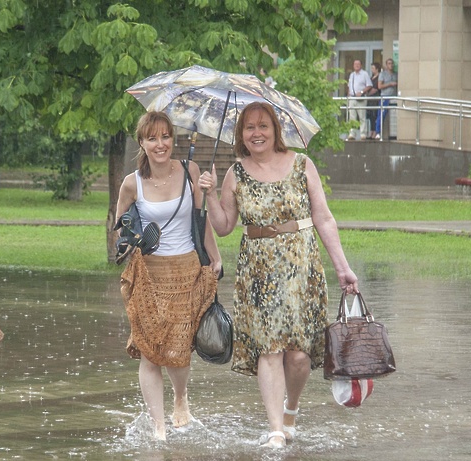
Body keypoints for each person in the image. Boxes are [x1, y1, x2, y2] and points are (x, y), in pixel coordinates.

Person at [198, 102, 359, 449]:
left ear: (275, 130)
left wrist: (342, 267)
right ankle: (275, 430)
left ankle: (291, 408)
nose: (256, 133)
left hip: (302, 268)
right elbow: (224, 226)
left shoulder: (302, 164)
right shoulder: (235, 173)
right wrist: (209, 195)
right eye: (249, 127)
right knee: (269, 350)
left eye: (263, 126)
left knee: (298, 356)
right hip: (258, 272)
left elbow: (324, 218)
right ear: (241, 134)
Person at [116, 111, 221, 441]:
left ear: (173, 139)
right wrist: (134, 236)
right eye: (152, 138)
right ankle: (159, 428)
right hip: (149, 275)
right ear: (142, 142)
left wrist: (215, 258)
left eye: (165, 136)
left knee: (178, 349)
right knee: (150, 351)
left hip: (186, 269)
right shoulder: (132, 183)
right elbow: (120, 231)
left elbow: (200, 222)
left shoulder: (189, 170)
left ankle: (180, 397)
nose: (160, 144)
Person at [346, 59, 371, 141]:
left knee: (362, 117)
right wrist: (348, 96)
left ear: (361, 65)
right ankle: (352, 134)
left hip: (361, 98)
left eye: (358, 64)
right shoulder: (352, 75)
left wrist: (361, 92)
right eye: (355, 64)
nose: (356, 65)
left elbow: (369, 85)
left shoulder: (364, 74)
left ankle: (363, 134)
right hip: (352, 98)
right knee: (352, 117)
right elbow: (349, 86)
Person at [377, 58, 398, 139]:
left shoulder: (395, 74)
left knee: (393, 116)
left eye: (392, 63)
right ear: (386, 65)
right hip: (385, 96)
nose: (391, 65)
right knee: (381, 114)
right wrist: (390, 84)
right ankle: (378, 132)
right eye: (389, 63)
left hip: (394, 97)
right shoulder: (383, 74)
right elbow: (380, 86)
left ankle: (393, 134)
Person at [365, 62, 381, 139]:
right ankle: (371, 131)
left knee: (374, 115)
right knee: (371, 115)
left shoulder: (379, 77)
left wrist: (369, 92)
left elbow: (375, 88)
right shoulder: (372, 77)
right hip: (370, 99)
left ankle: (375, 132)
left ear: (377, 69)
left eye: (373, 68)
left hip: (375, 98)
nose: (372, 70)